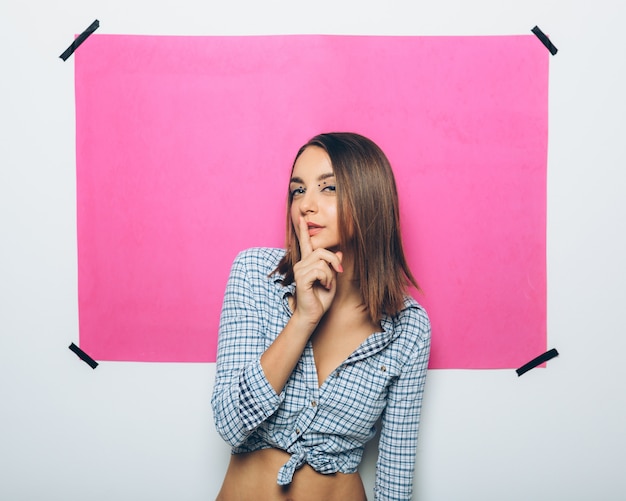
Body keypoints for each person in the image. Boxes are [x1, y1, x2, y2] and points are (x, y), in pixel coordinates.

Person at [211, 132, 431, 501]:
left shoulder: (408, 326)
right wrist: (302, 320)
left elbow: (395, 475)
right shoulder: (255, 274)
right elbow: (230, 423)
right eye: (298, 191)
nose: (306, 205)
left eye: (327, 188)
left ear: (368, 196)